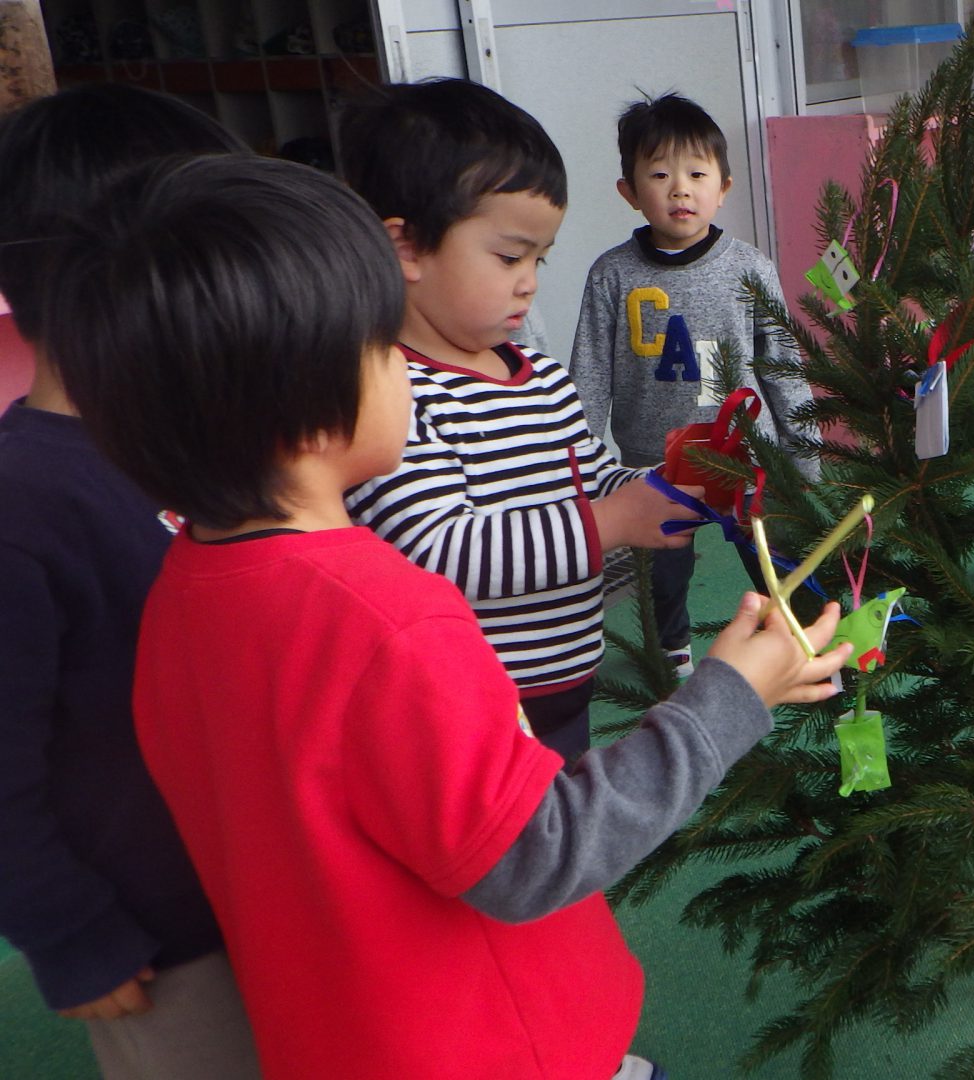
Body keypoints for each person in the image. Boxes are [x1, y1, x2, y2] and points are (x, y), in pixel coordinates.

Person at [44, 152, 851, 1080]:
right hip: (493, 1049)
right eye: (384, 345)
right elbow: (539, 850)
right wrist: (732, 694)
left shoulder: (182, 589)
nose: (412, 366)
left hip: (344, 1040)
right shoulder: (388, 617)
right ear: (309, 404)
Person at [0, 84, 260, 1080]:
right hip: (158, 943)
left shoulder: (206, 448)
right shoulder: (22, 504)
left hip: (268, 895)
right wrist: (70, 932)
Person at [337, 79, 695, 761]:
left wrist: (667, 484)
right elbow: (436, 551)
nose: (529, 281)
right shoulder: (390, 390)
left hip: (567, 686)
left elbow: (594, 478)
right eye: (509, 257)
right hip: (463, 716)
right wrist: (613, 522)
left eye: (539, 258)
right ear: (406, 248)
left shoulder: (541, 378)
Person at [570, 92, 815, 680]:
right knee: (663, 569)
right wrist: (581, 467)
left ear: (723, 187)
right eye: (659, 175)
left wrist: (801, 455)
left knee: (774, 559)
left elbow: (782, 364)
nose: (680, 189)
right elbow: (590, 374)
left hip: (746, 455)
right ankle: (672, 650)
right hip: (654, 460)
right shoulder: (611, 273)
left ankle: (795, 639)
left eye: (697, 175)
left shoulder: (749, 267)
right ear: (629, 191)